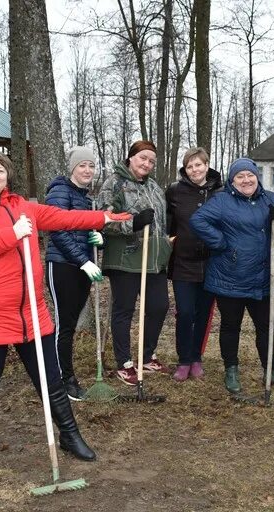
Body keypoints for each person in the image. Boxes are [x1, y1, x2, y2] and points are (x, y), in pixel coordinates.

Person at [0, 149, 130, 461]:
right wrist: (13, 233)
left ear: (8, 174)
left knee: (49, 376)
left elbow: (62, 217)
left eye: (0, 170)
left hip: (29, 310)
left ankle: (70, 436)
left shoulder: (23, 206)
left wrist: (101, 218)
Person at [190, 157, 274, 394]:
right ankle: (231, 369)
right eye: (240, 176)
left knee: (265, 325)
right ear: (232, 180)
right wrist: (219, 242)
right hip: (230, 275)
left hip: (262, 276)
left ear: (256, 176)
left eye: (250, 175)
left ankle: (273, 369)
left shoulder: (270, 198)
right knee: (231, 326)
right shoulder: (221, 200)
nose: (246, 180)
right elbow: (198, 220)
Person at [96, 140, 173, 385]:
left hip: (153, 260)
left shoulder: (154, 187)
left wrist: (167, 243)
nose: (147, 164)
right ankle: (124, 362)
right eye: (143, 158)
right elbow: (103, 219)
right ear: (131, 158)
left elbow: (161, 221)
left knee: (159, 306)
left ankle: (147, 354)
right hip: (125, 258)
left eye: (151, 161)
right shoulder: (115, 183)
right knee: (124, 309)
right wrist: (134, 222)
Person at [45, 147, 104, 401]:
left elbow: (85, 234)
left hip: (81, 268)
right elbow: (57, 230)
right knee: (64, 325)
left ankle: (63, 374)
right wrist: (83, 261)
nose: (87, 170)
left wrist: (99, 241)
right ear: (72, 168)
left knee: (69, 323)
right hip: (62, 267)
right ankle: (62, 380)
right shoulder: (60, 191)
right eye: (82, 166)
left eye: (91, 166)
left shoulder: (87, 198)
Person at [165, 147, 223, 382]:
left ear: (207, 165)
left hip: (211, 263)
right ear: (185, 169)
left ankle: (197, 357)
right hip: (183, 263)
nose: (194, 170)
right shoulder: (175, 192)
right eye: (190, 166)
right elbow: (168, 224)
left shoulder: (221, 192)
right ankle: (183, 359)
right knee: (185, 312)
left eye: (198, 164)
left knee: (203, 313)